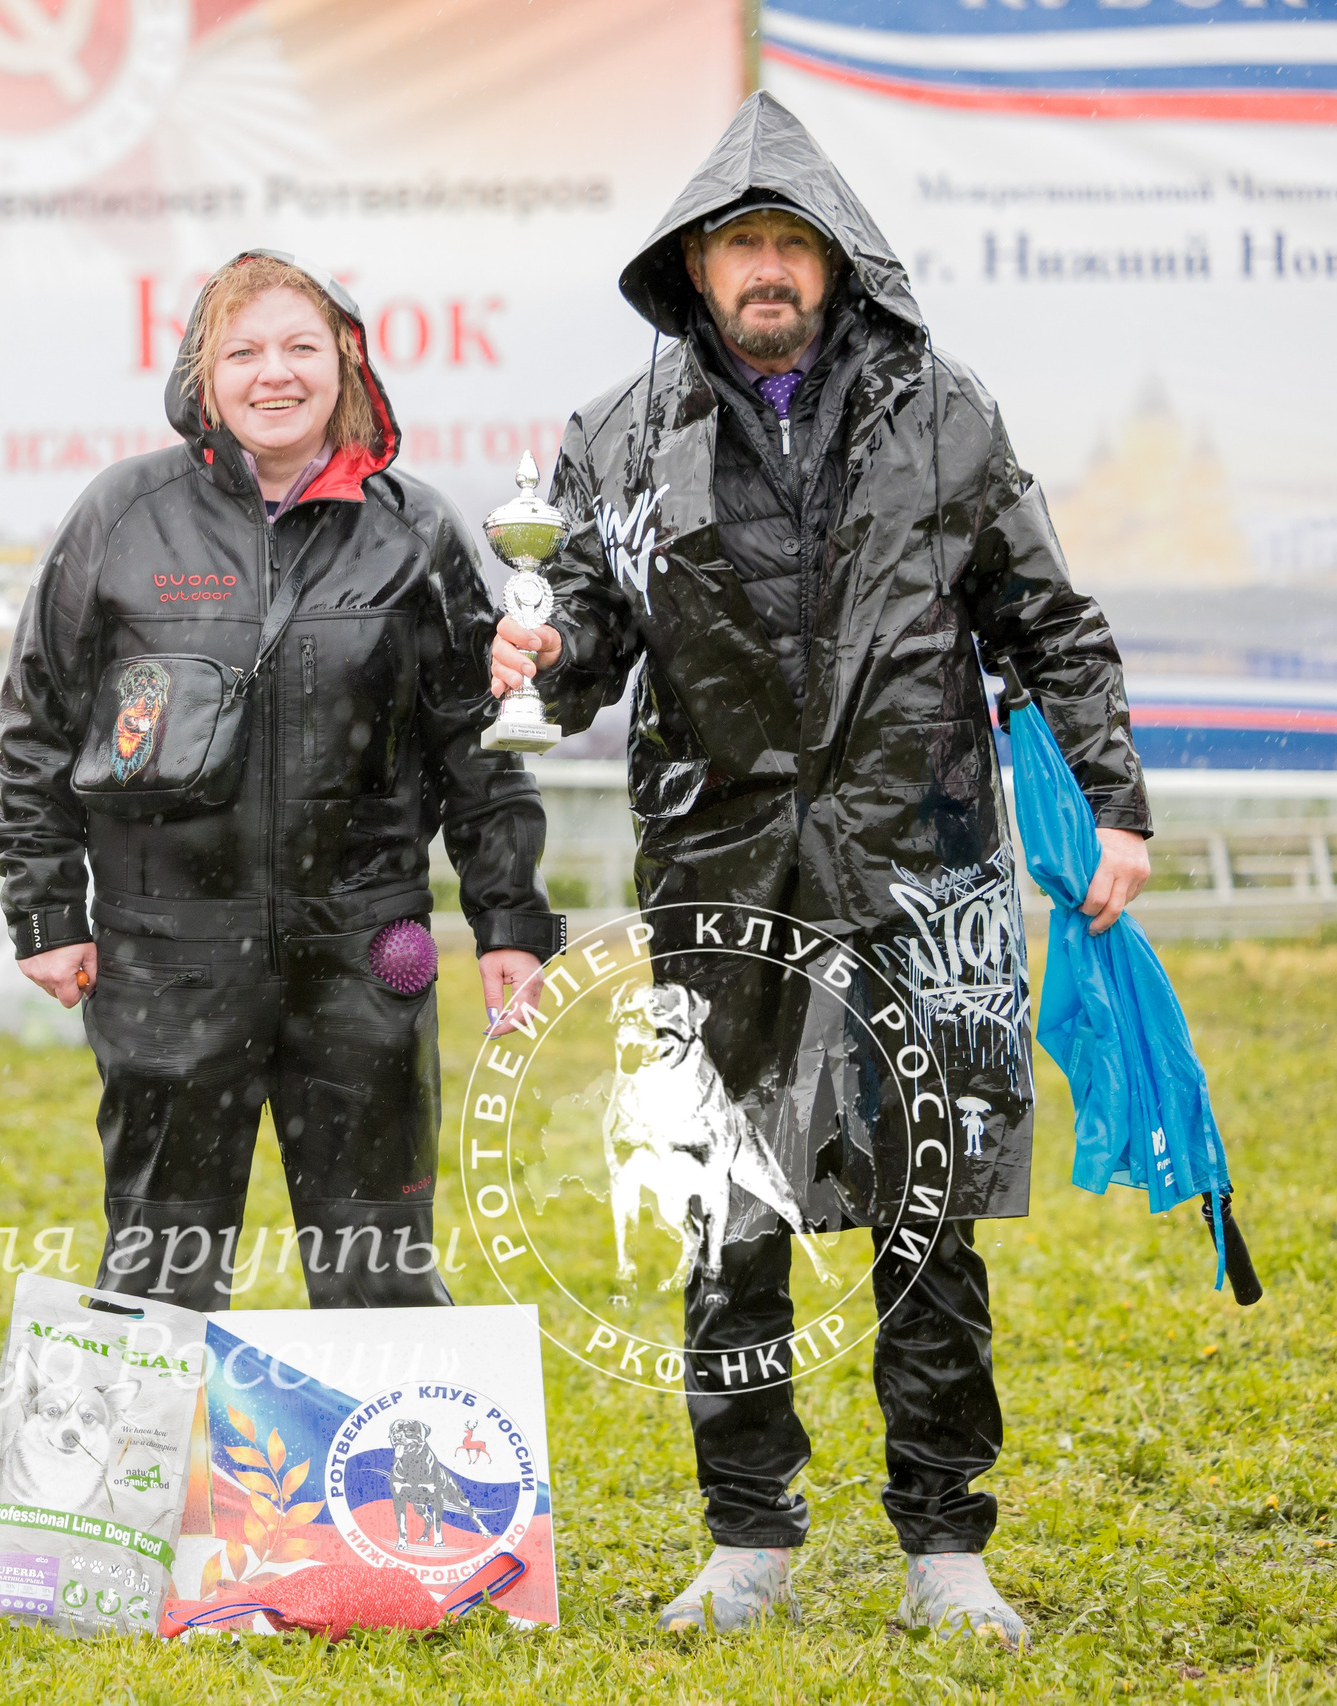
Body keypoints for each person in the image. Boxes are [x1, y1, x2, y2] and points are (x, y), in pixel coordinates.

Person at [491, 94, 1152, 1648]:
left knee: (930, 1213)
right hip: (721, 879)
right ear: (699, 268)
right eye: (742, 245)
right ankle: (747, 1534)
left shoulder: (947, 412)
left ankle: (945, 1540)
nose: (768, 268)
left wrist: (1115, 806)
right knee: (732, 1207)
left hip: (920, 871)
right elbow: (581, 636)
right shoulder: (620, 435)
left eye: (793, 241)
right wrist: (544, 641)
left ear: (840, 261)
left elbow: (1048, 617)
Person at [0, 248, 563, 1313]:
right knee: (159, 1268)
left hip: (366, 950)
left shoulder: (416, 529)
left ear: (346, 364)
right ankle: (142, 1482)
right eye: (243, 351)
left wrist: (510, 922)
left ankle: (393, 1479)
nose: (274, 374)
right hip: (166, 951)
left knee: (377, 1267)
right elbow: (36, 724)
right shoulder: (120, 517)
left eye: (301, 347)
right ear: (201, 376)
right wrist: (43, 912)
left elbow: (478, 740)